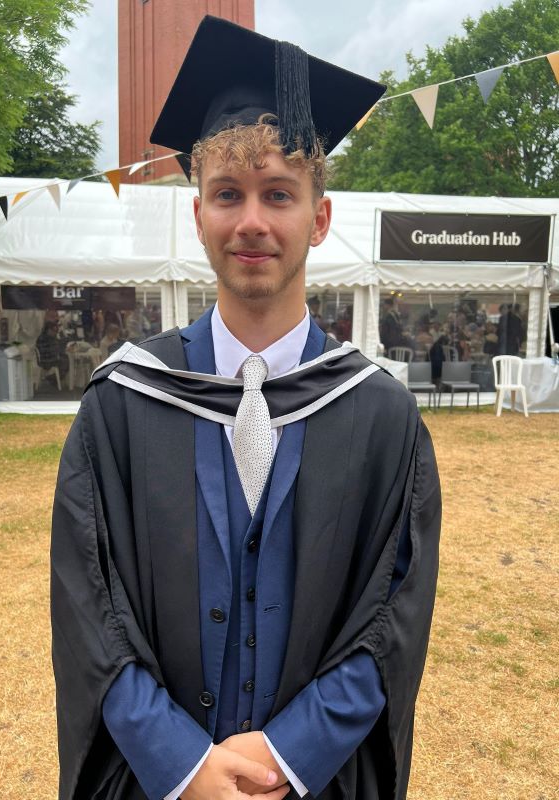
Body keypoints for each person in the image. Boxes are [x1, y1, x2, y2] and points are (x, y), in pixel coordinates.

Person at [51, 16, 441, 800]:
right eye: (228, 194)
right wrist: (183, 764)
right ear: (198, 214)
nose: (252, 221)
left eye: (279, 194)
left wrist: (285, 756)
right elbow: (90, 610)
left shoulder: (382, 417)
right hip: (156, 783)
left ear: (319, 219)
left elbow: (392, 621)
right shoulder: (120, 407)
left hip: (313, 781)